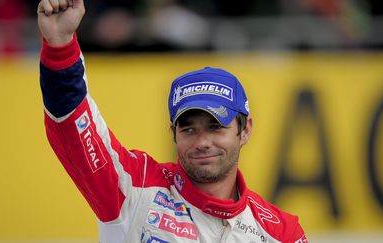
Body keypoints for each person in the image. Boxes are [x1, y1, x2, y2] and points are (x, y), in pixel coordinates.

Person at [37, 0, 308, 242]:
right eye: (188, 128)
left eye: (216, 126)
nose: (202, 142)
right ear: (173, 133)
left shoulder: (282, 234)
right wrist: (60, 45)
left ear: (244, 130)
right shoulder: (134, 188)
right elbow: (74, 125)